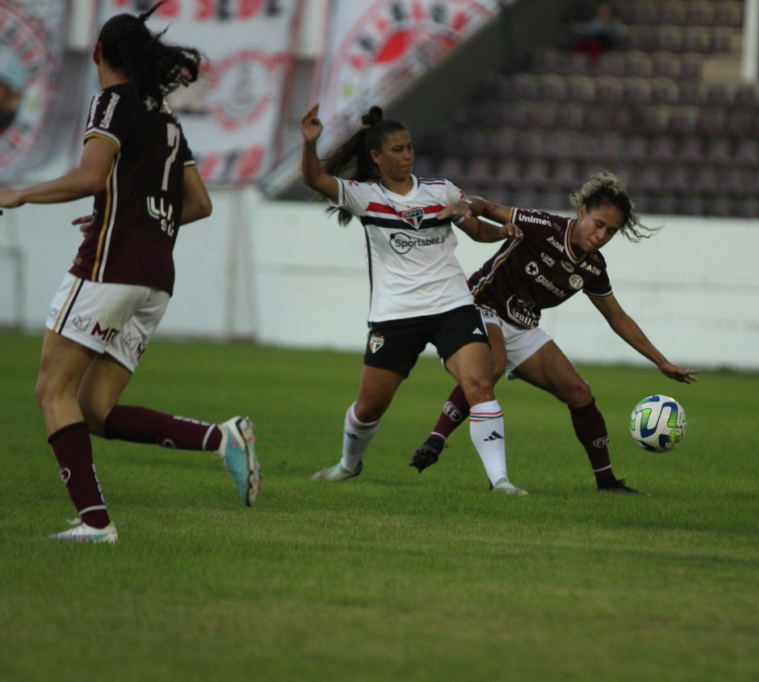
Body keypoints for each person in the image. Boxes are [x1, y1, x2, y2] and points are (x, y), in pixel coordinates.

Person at [0, 3, 261, 544]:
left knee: (52, 389)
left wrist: (21, 192)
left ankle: (95, 522)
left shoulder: (111, 103)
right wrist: (125, 208)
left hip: (109, 266)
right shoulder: (165, 116)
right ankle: (221, 439)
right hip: (155, 277)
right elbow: (200, 203)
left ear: (98, 53)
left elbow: (91, 175)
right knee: (95, 408)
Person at [409, 172, 700, 494]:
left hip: (523, 325)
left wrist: (661, 362)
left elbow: (617, 318)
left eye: (611, 231)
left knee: (579, 392)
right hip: (481, 305)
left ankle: (607, 482)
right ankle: (435, 441)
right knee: (490, 366)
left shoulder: (593, 268)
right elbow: (489, 208)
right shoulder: (545, 227)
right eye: (599, 224)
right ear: (582, 212)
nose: (602, 235)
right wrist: (467, 205)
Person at [299, 103, 528, 494]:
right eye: (397, 150)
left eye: (409, 148)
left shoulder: (441, 192)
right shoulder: (363, 196)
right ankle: (348, 465)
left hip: (452, 307)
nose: (407, 155)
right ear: (376, 157)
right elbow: (314, 179)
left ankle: (500, 480)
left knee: (479, 384)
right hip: (395, 315)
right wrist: (310, 144)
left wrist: (503, 232)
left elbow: (475, 230)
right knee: (369, 407)